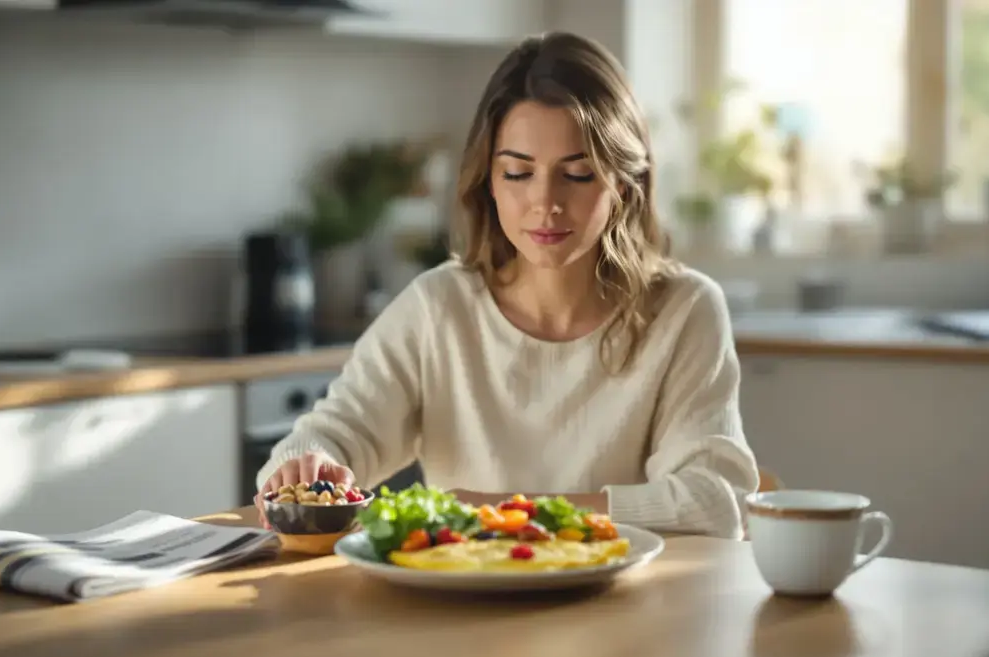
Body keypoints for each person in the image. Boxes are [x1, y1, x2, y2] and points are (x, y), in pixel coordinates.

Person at [255, 31, 759, 538]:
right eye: (518, 172)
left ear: (622, 184)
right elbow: (334, 433)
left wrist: (501, 510)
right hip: (466, 605)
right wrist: (308, 464)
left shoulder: (684, 310)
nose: (546, 202)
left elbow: (716, 504)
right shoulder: (439, 307)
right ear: (489, 181)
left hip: (625, 608)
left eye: (579, 174)